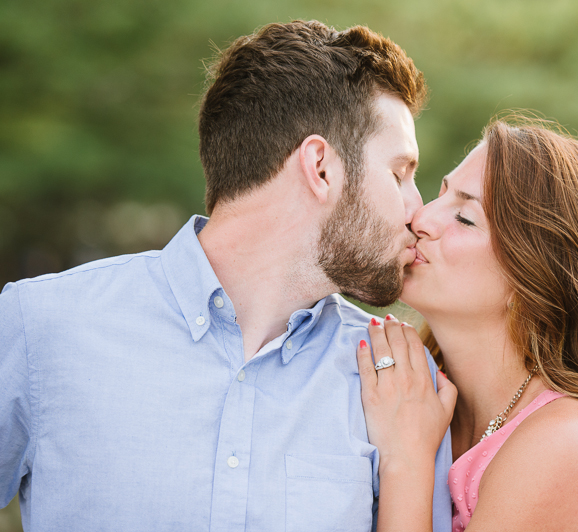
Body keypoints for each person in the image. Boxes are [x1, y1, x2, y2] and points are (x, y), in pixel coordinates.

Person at [0, 20, 453, 531]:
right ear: (321, 167)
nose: (418, 210)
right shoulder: (40, 327)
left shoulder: (400, 386)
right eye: (399, 174)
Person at [356, 117, 578, 531]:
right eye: (440, 194)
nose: (420, 218)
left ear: (533, 276)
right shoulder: (409, 391)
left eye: (464, 217)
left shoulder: (577, 443)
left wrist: (406, 461)